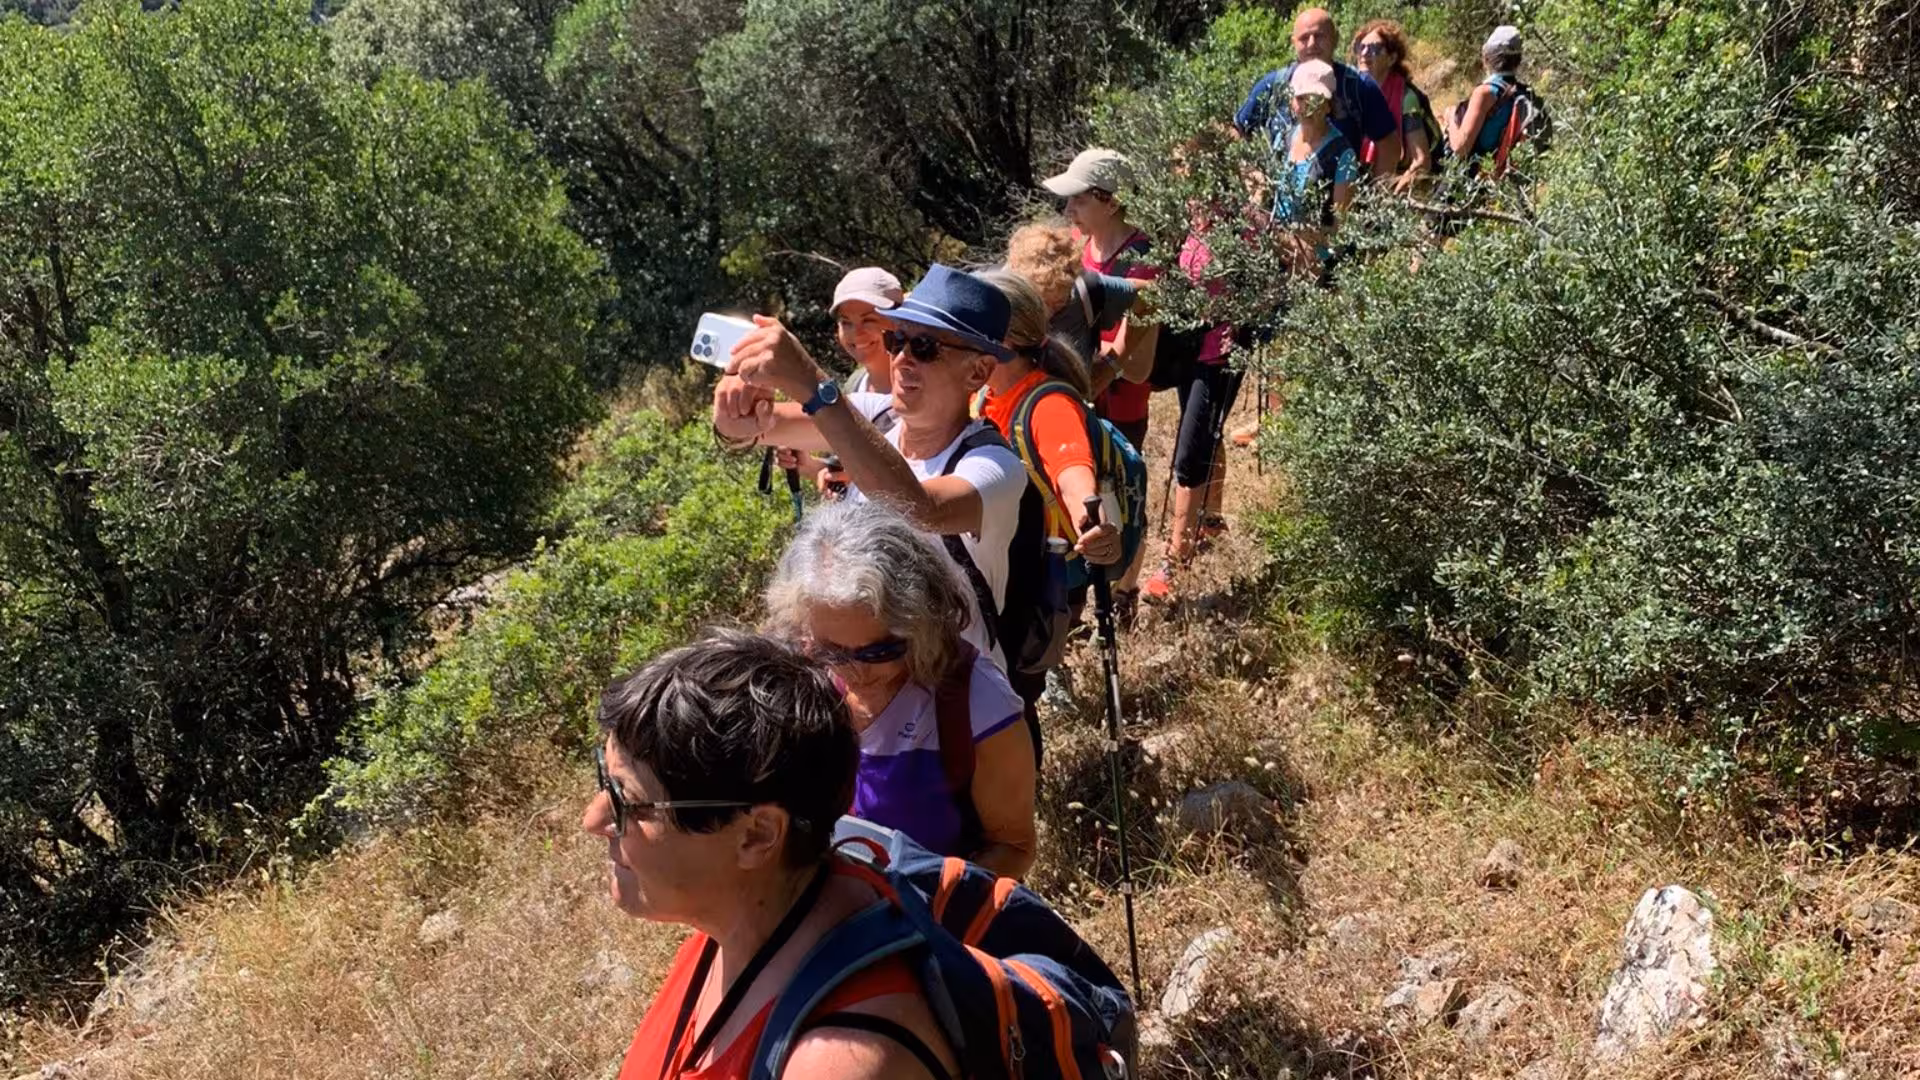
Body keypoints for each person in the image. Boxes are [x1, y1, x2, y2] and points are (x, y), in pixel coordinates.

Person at [588, 630, 958, 1079]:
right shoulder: (735, 925)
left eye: (627, 799)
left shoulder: (838, 1063)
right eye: (603, 779)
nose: (593, 820)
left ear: (756, 836)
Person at [711, 265, 1028, 671]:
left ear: (978, 372)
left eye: (926, 347)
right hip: (863, 673)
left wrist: (812, 384)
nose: (902, 360)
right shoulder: (872, 418)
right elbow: (754, 427)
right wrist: (737, 399)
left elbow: (918, 509)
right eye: (897, 341)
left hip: (950, 689)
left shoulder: (994, 466)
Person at [765, 501, 1038, 878]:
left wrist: (919, 912)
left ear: (921, 623)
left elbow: (1014, 848)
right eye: (831, 650)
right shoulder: (796, 678)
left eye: (880, 651)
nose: (855, 671)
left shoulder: (978, 702)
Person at [1141, 216, 1239, 602]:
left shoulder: (1245, 223)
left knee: (1190, 452)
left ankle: (1175, 558)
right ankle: (1211, 518)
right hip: (1187, 347)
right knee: (1204, 432)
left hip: (1221, 352)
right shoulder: (1178, 215)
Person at [1041, 148, 1161, 454]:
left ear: (1112, 202)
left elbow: (1137, 358)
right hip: (1075, 390)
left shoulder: (1143, 258)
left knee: (1116, 487)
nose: (1069, 210)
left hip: (1122, 403)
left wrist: (1104, 364)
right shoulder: (1076, 244)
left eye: (1079, 200)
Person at [1234, 8, 1400, 180]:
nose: (1312, 44)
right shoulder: (1272, 85)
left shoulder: (1358, 86)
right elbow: (1238, 131)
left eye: (1320, 36)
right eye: (1304, 38)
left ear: (1335, 39)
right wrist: (1252, 173)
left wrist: (1374, 193)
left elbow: (1389, 145)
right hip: (1275, 201)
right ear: (1293, 43)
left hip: (1340, 202)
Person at [785, 267, 905, 495]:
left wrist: (866, 477)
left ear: (898, 322)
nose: (855, 334)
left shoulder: (918, 386)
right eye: (846, 323)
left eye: (869, 320)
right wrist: (810, 466)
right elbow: (844, 474)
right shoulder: (855, 384)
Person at [1351, 19, 1439, 192]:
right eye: (1361, 47)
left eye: (1375, 49)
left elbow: (1422, 162)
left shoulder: (1406, 99)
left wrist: (1389, 196)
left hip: (1401, 187)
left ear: (1391, 58)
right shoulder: (1352, 95)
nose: (1365, 53)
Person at [1449, 26, 1533, 172]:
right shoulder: (1523, 92)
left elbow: (1460, 148)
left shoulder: (1484, 93)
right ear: (1518, 61)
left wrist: (1450, 118)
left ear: (1486, 58)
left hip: (1477, 178)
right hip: (1504, 178)